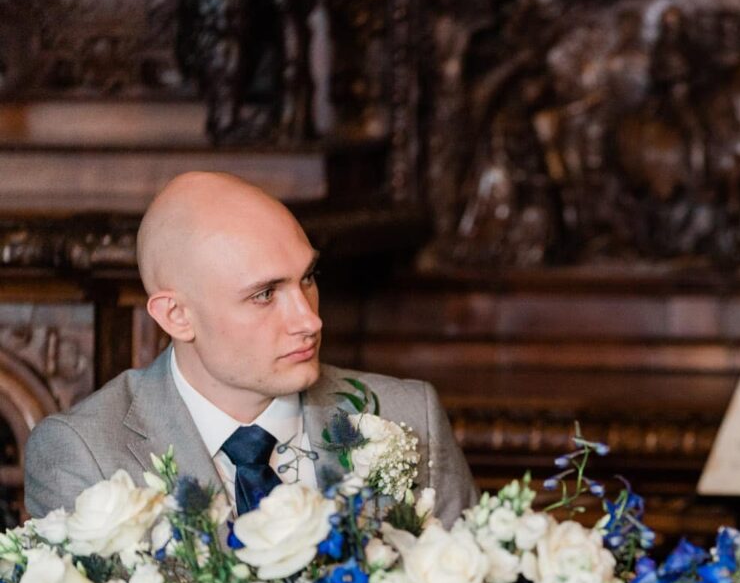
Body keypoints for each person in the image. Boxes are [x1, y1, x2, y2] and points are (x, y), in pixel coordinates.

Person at [24, 172, 477, 523]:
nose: (309, 320)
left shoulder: (408, 415)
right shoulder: (86, 453)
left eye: (308, 279)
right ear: (176, 316)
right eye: (264, 294)